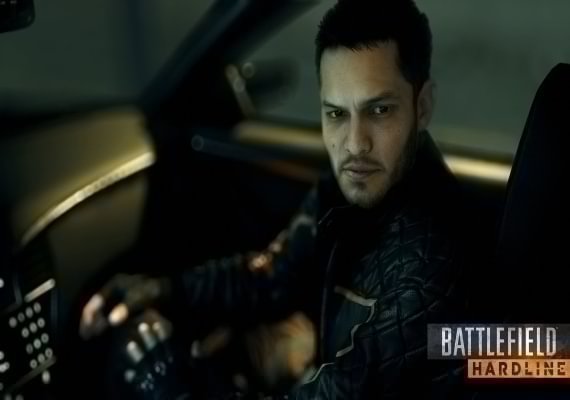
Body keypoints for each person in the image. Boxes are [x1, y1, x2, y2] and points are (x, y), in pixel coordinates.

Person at [80, 0, 469, 398]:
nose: (354, 143)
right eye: (336, 114)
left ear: (422, 107)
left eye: (379, 110)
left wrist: (171, 388)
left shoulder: (429, 270)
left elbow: (338, 390)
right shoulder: (352, 189)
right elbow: (270, 276)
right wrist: (166, 290)